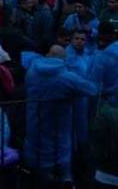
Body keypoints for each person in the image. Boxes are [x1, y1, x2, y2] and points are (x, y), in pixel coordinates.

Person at [23, 46, 98, 185]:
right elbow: (92, 89)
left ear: (47, 54)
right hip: (58, 138)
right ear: (64, 60)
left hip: (34, 130)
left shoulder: (32, 70)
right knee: (61, 176)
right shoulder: (67, 77)